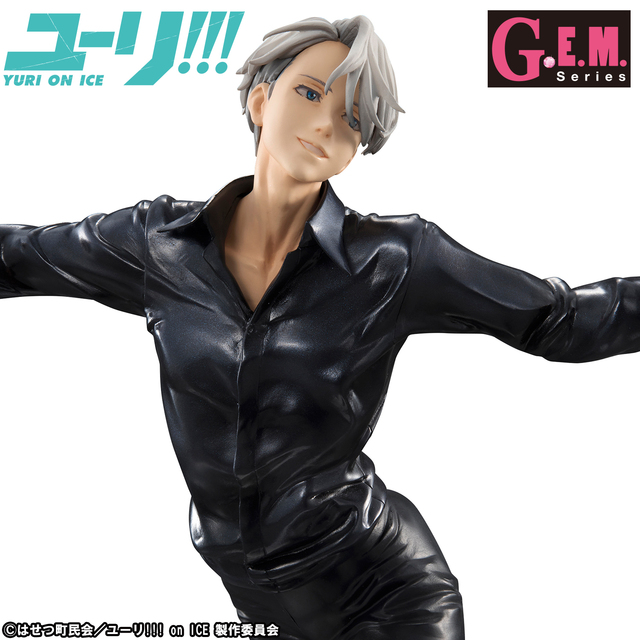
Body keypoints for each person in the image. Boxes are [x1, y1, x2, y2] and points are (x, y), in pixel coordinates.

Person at [1, 15, 639, 640]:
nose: (327, 124)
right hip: (264, 608)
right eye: (310, 93)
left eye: (352, 117)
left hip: (389, 596)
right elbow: (18, 257)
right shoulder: (160, 244)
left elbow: (560, 320)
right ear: (260, 100)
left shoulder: (394, 259)